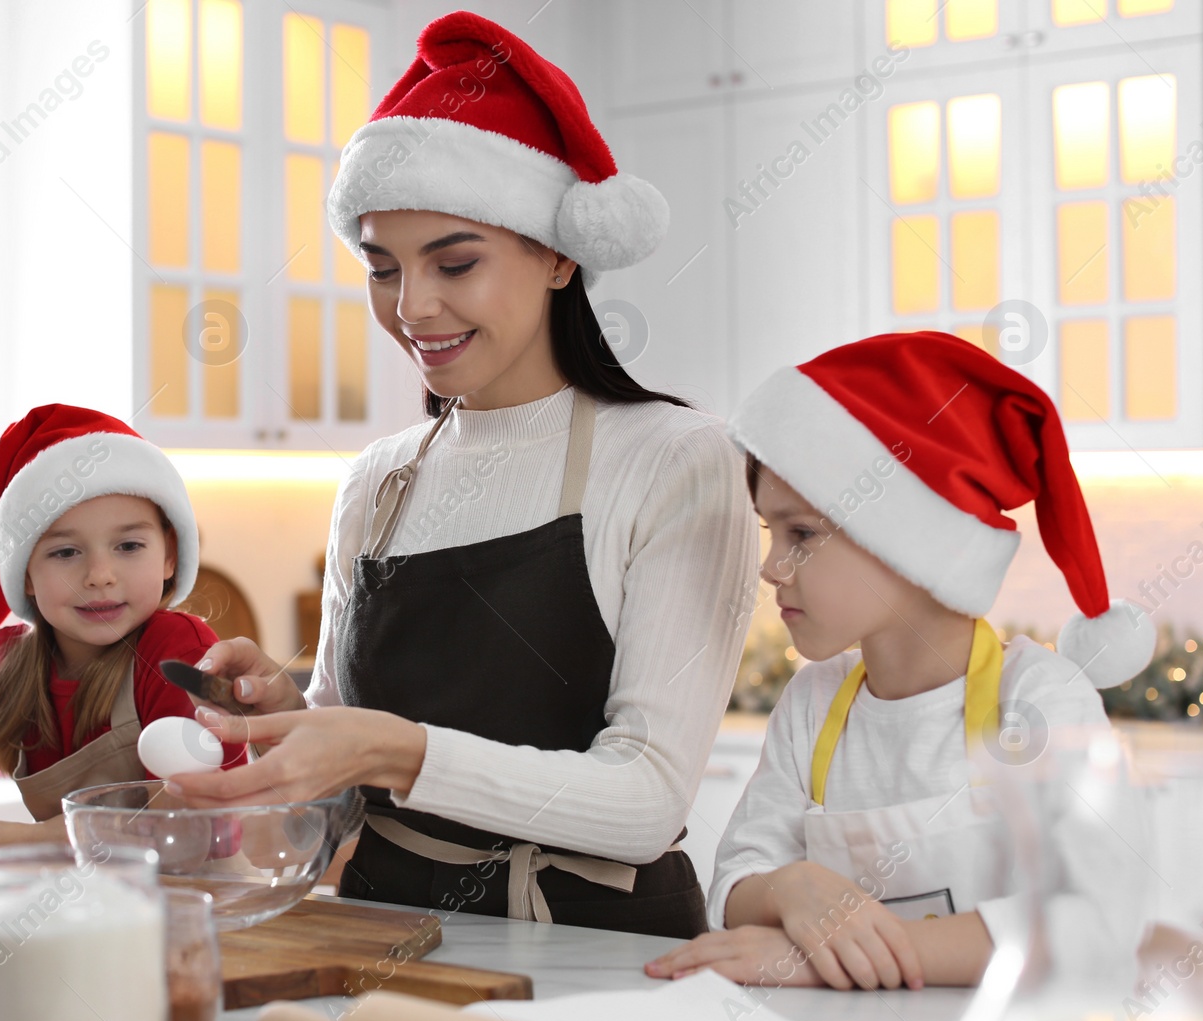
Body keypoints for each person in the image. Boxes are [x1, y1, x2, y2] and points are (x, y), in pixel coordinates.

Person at [166, 11, 759, 938]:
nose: (412, 307)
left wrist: (391, 750)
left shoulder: (676, 458)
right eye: (381, 267)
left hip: (591, 946)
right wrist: (286, 714)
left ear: (560, 252)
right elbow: (349, 746)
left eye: (455, 262)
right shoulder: (377, 480)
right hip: (381, 928)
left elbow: (644, 797)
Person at [644, 332, 1156, 988]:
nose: (772, 566)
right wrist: (791, 886)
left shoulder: (1040, 700)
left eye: (801, 533)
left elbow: (1100, 916)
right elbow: (736, 884)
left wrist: (819, 957)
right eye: (771, 533)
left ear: (913, 544)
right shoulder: (812, 704)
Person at [0, 404, 244, 855]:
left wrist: (51, 842)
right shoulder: (0, 668)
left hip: (201, 908)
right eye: (65, 552)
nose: (99, 575)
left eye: (128, 545)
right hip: (77, 908)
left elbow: (181, 838)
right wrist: (51, 838)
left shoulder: (178, 650)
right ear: (24, 573)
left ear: (169, 556)